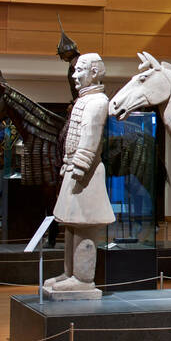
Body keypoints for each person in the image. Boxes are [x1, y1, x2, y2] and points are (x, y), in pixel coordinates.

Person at [45, 52, 115, 298]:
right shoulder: (84, 100)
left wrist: (80, 166)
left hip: (85, 173)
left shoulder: (98, 102)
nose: (74, 76)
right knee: (72, 224)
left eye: (80, 70)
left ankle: (84, 279)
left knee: (84, 225)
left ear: (94, 73)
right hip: (73, 169)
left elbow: (90, 138)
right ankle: (70, 273)